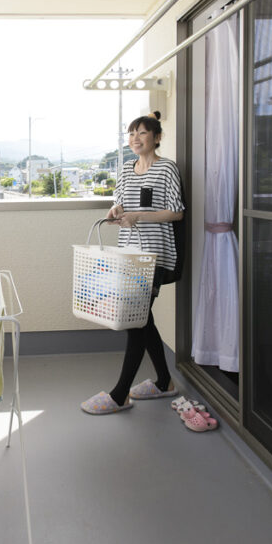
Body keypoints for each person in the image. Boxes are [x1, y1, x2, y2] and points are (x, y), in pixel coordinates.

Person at [80, 110, 185, 414]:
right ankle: (164, 381)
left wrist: (140, 216)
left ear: (157, 138)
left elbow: (177, 212)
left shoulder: (167, 169)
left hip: (154, 253)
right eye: (131, 134)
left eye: (142, 133)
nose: (135, 139)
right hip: (128, 253)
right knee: (141, 318)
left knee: (134, 319)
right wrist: (116, 210)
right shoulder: (127, 168)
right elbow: (120, 199)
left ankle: (119, 394)